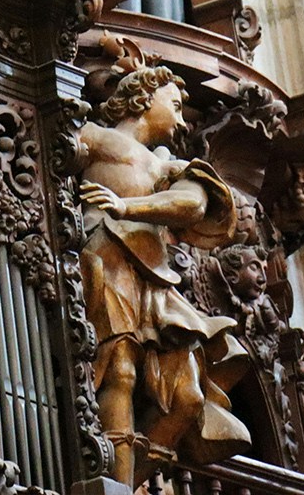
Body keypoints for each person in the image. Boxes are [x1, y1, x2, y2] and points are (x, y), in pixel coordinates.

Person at [78, 47, 250, 485]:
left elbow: (192, 205)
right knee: (120, 371)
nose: (181, 121)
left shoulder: (169, 166)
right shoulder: (94, 135)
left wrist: (127, 206)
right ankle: (114, 485)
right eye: (174, 105)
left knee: (188, 397)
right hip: (109, 256)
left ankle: (133, 479)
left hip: (156, 279)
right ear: (143, 96)